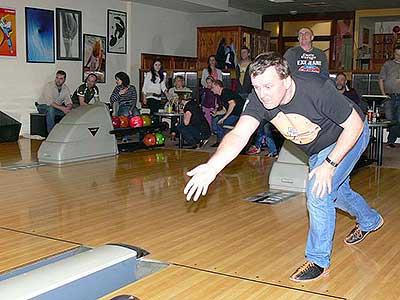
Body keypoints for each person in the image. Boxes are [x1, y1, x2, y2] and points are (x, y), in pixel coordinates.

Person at [184, 52, 383, 283]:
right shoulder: (259, 98)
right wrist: (212, 167)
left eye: (268, 86)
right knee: (336, 193)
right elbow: (239, 133)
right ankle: (370, 220)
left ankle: (318, 260)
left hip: (350, 135)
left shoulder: (315, 89)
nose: (262, 94)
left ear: (286, 79)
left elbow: (354, 126)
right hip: (318, 149)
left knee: (318, 192)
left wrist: (329, 165)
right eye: (257, 87)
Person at [210, 80, 244, 147]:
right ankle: (222, 142)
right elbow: (225, 110)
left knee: (221, 123)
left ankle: (223, 142)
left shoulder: (225, 92)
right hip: (235, 113)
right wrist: (216, 113)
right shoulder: (222, 95)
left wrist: (224, 118)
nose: (211, 89)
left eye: (212, 87)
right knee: (218, 120)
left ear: (217, 86)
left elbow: (232, 104)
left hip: (238, 113)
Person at [379, 45, 400, 148]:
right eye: (397, 54)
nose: (398, 56)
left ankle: (391, 141)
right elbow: (381, 80)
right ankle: (391, 140)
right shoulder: (387, 64)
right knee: (390, 119)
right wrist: (383, 95)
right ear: (394, 54)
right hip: (389, 96)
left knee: (399, 119)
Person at [110, 72, 138, 142]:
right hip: (123, 106)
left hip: (132, 106)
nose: (116, 81)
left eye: (117, 79)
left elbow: (134, 99)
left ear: (123, 79)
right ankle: (125, 136)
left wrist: (131, 109)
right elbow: (112, 99)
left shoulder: (132, 88)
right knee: (126, 115)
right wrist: (120, 93)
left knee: (137, 115)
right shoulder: (117, 88)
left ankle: (140, 137)